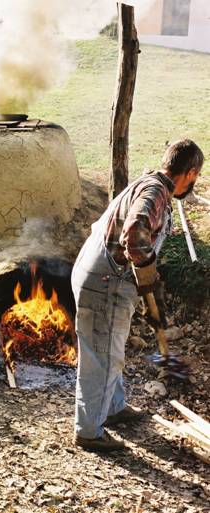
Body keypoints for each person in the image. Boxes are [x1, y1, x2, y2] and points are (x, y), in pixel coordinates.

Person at [71, 139, 204, 452]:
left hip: (101, 274)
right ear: (191, 172)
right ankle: (88, 431)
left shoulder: (150, 182)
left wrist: (147, 282)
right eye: (195, 179)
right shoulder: (156, 192)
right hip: (106, 281)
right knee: (101, 355)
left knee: (109, 348)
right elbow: (134, 232)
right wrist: (146, 272)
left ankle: (114, 408)